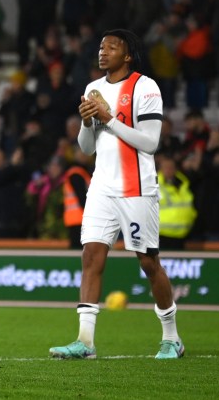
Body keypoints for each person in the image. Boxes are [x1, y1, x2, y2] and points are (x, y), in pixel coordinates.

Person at [50, 29, 185, 360]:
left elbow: (150, 143)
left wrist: (108, 118)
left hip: (137, 190)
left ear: (127, 55)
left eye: (112, 47)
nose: (103, 51)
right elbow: (86, 148)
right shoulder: (92, 89)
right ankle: (85, 342)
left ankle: (172, 338)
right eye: (100, 46)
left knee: (149, 262)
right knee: (91, 256)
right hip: (102, 188)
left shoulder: (145, 87)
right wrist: (86, 124)